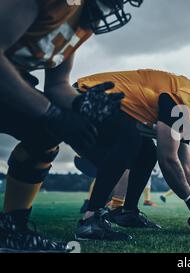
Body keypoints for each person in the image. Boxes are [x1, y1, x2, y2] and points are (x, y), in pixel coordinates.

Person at [0, 0, 142, 252]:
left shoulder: (83, 15)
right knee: (47, 121)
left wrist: (81, 104)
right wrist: (50, 112)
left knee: (44, 134)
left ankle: (12, 230)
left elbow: (57, 85)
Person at [72, 69, 190, 240]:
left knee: (147, 152)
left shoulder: (185, 100)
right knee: (130, 140)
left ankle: (127, 213)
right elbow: (168, 159)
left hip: (93, 98)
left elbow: (186, 165)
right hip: (84, 97)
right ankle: (91, 220)